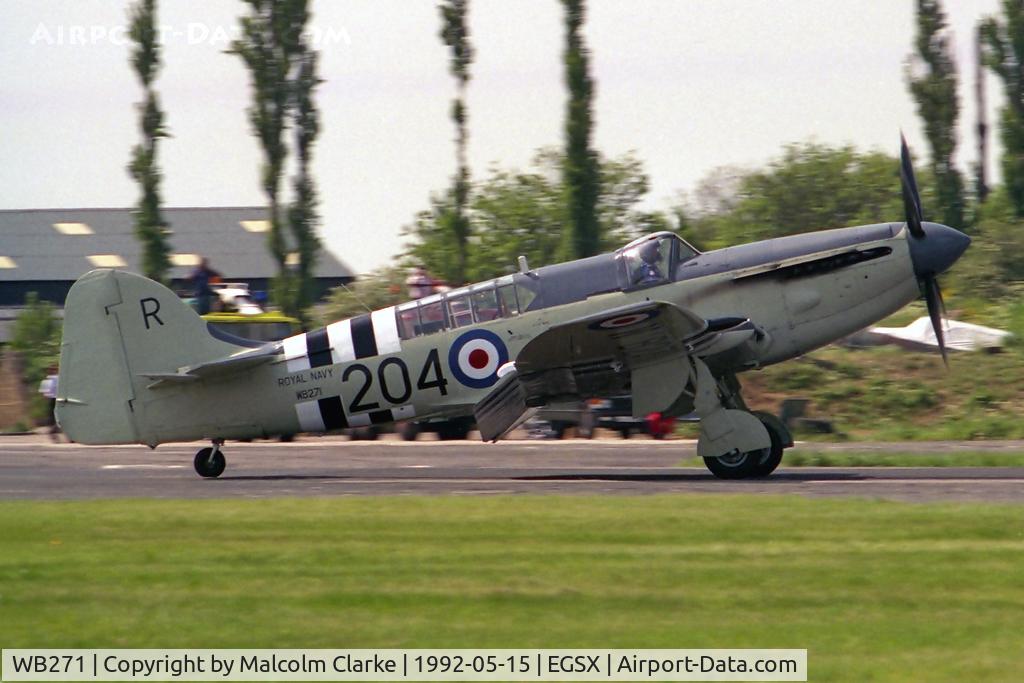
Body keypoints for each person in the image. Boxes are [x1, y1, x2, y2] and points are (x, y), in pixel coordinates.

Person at [38, 368, 60, 442]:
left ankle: (53, 431)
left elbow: (44, 395)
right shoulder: (60, 379)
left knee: (52, 417)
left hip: (51, 400)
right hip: (60, 400)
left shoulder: (46, 381)